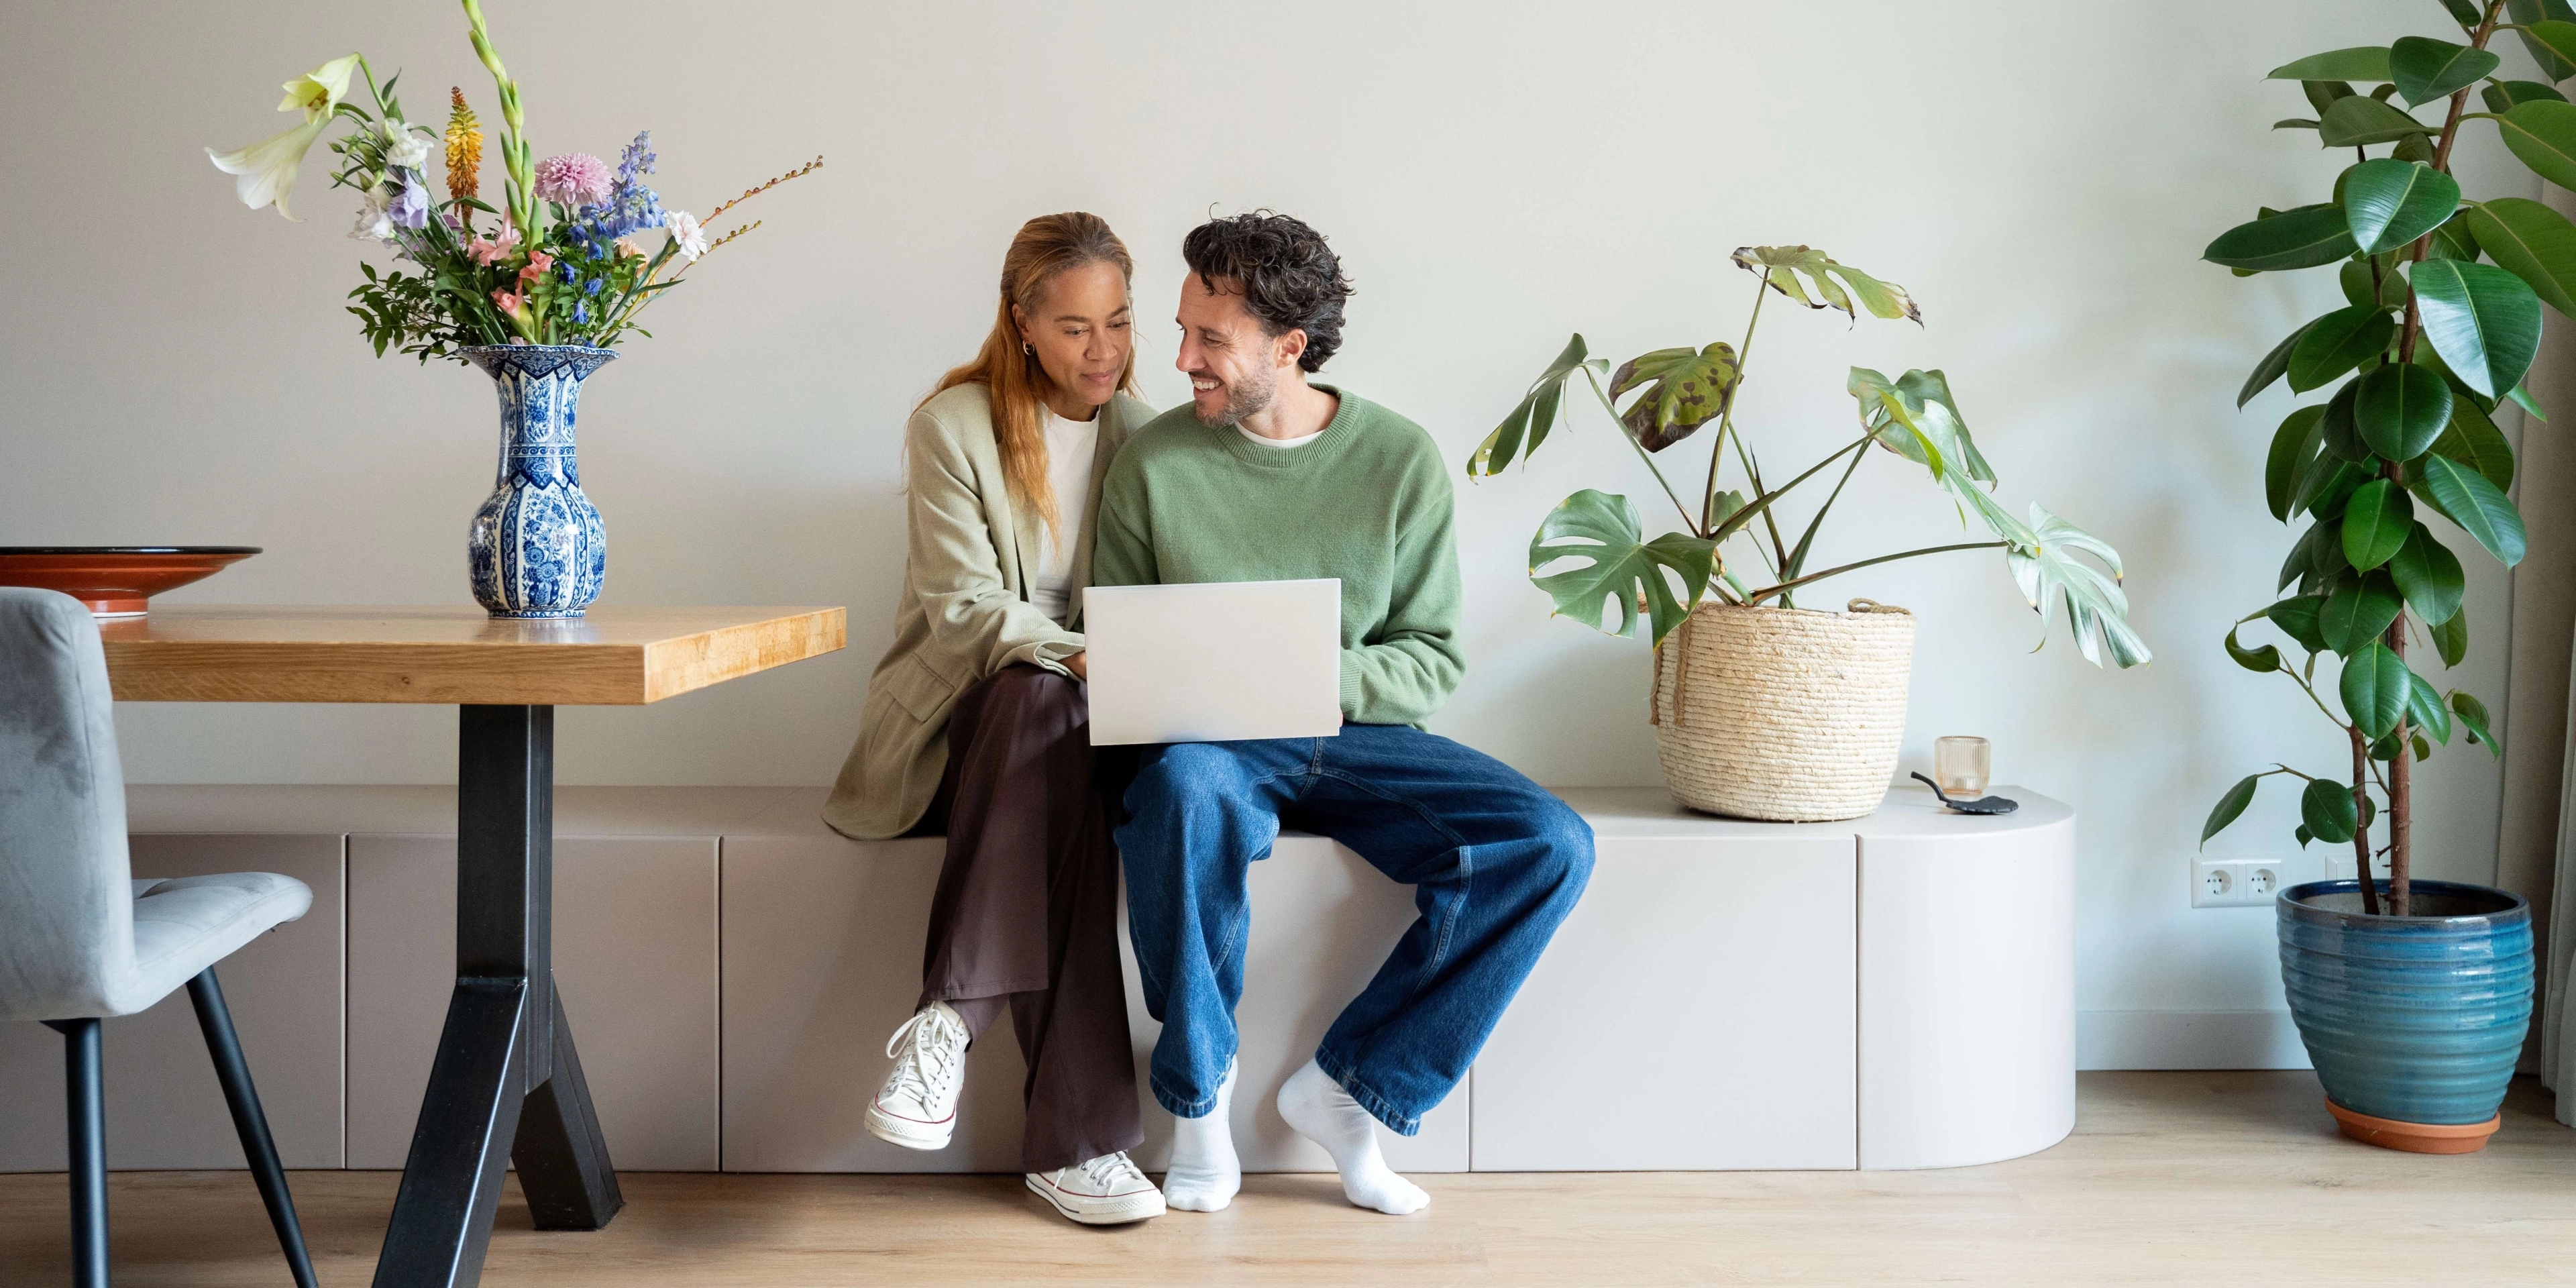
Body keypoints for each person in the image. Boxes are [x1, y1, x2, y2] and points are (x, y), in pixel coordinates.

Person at [1092, 211, 1595, 1216]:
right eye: (1182, 329)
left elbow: (1430, 657)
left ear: (1288, 346)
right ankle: (1200, 1108)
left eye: (1211, 341)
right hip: (1214, 748)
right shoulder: (1152, 463)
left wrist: (1313, 676)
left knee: (1550, 843)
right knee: (1187, 789)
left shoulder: (1399, 461)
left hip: (1358, 740)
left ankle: (1354, 1087)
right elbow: (1120, 650)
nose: (1182, 358)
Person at [821, 212, 1165, 1226]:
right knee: (1033, 694)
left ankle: (945, 1024)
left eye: (1120, 322)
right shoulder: (954, 426)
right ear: (1020, 323)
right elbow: (966, 611)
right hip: (975, 720)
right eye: (1073, 328)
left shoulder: (1151, 442)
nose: (1103, 351)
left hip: (1106, 729)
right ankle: (1084, 1144)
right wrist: (1073, 655)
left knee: (1064, 780)